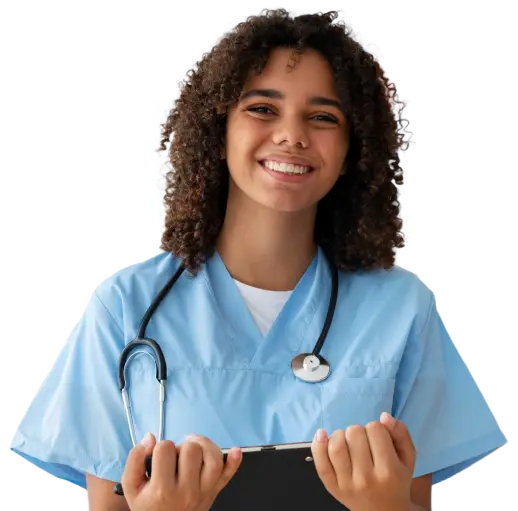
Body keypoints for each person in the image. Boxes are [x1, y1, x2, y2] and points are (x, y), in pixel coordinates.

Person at [8, 7, 507, 511]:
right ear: (217, 130)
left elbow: (415, 502)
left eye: (323, 116)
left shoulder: (402, 310)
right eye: (263, 109)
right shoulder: (126, 308)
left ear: (353, 149)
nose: (292, 135)